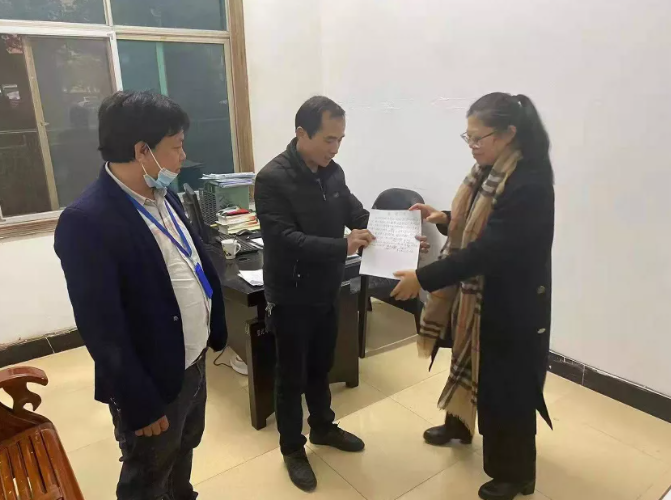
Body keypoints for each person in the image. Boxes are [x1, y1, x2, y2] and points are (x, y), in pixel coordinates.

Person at [54, 90, 227, 500]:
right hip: (152, 378)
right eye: (177, 146)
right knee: (148, 472)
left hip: (191, 360)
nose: (183, 156)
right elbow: (101, 329)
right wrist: (138, 401)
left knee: (184, 447)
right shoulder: (87, 221)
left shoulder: (162, 194)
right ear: (141, 151)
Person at [392, 92, 555, 500]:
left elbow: (488, 249)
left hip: (510, 302)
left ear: (508, 133)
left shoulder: (529, 182)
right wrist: (444, 218)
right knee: (464, 359)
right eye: (468, 137)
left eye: (478, 137)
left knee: (507, 390)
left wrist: (423, 278)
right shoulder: (488, 169)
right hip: (474, 295)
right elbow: (474, 225)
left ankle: (516, 475)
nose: (472, 145)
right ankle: (460, 425)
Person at [254, 96, 374, 492]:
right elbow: (284, 239)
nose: (335, 148)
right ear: (301, 133)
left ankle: (323, 426)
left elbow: (355, 212)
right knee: (291, 376)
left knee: (321, 365)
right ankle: (292, 448)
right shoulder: (272, 178)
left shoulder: (332, 172)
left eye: (340, 139)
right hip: (291, 294)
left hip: (327, 288)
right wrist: (344, 246)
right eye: (328, 139)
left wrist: (393, 234)